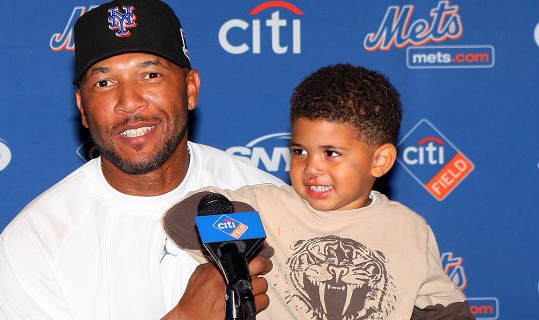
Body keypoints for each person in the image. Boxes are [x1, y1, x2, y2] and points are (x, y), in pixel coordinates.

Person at [0, 0, 285, 319]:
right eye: (104, 82)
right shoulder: (34, 242)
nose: (128, 102)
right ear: (82, 108)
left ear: (190, 89)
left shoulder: (271, 206)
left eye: (150, 75)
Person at [164, 64, 475, 319]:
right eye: (300, 151)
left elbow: (445, 310)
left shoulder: (409, 229)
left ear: (380, 160)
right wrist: (246, 239)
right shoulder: (267, 205)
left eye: (331, 153)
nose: (311, 168)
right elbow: (181, 218)